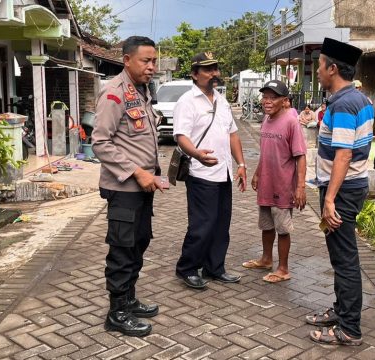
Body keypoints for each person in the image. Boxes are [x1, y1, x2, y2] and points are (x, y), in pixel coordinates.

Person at [305, 38, 374, 346]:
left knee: (344, 259)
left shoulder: (345, 103)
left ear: (333, 69)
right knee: (340, 256)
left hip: (343, 190)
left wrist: (329, 199)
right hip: (349, 187)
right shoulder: (358, 99)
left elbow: (343, 154)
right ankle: (342, 311)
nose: (317, 71)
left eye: (320, 65)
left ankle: (349, 328)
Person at [92, 36, 162, 338]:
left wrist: (151, 174)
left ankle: (129, 299)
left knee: (139, 243)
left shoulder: (142, 91)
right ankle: (117, 312)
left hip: (142, 188)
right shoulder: (114, 94)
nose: (152, 66)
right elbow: (100, 143)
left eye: (154, 61)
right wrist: (137, 171)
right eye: (146, 60)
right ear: (127, 60)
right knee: (122, 250)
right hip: (124, 189)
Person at [173, 52, 247, 290]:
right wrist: (196, 155)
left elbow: (233, 133)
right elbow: (180, 136)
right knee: (202, 224)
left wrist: (241, 165)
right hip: (201, 173)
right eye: (207, 69)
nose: (214, 73)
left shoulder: (222, 101)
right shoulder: (187, 101)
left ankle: (215, 268)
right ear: (195, 74)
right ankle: (187, 268)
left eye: (215, 68)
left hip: (223, 172)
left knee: (221, 223)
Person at [242, 80, 307, 283]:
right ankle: (266, 259)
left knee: (282, 228)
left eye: (273, 98)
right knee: (266, 224)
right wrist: (257, 173)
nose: (267, 102)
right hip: (266, 184)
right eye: (265, 97)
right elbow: (266, 152)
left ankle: (283, 269)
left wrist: (300, 187)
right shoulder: (266, 120)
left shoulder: (291, 122)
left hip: (283, 185)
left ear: (285, 101)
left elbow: (300, 156)